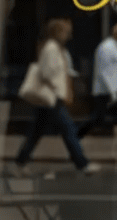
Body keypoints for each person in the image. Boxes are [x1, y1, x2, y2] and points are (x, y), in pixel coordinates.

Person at [14, 18, 100, 175]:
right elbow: (47, 73)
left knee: (36, 132)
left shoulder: (57, 49)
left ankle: (20, 162)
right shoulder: (51, 49)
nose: (69, 35)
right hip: (52, 98)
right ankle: (82, 164)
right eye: (66, 31)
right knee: (69, 131)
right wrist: (58, 88)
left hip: (51, 99)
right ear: (57, 32)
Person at [77, 21, 117, 151]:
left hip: (115, 90)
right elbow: (105, 72)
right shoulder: (106, 48)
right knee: (98, 117)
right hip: (106, 91)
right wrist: (113, 93)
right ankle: (77, 134)